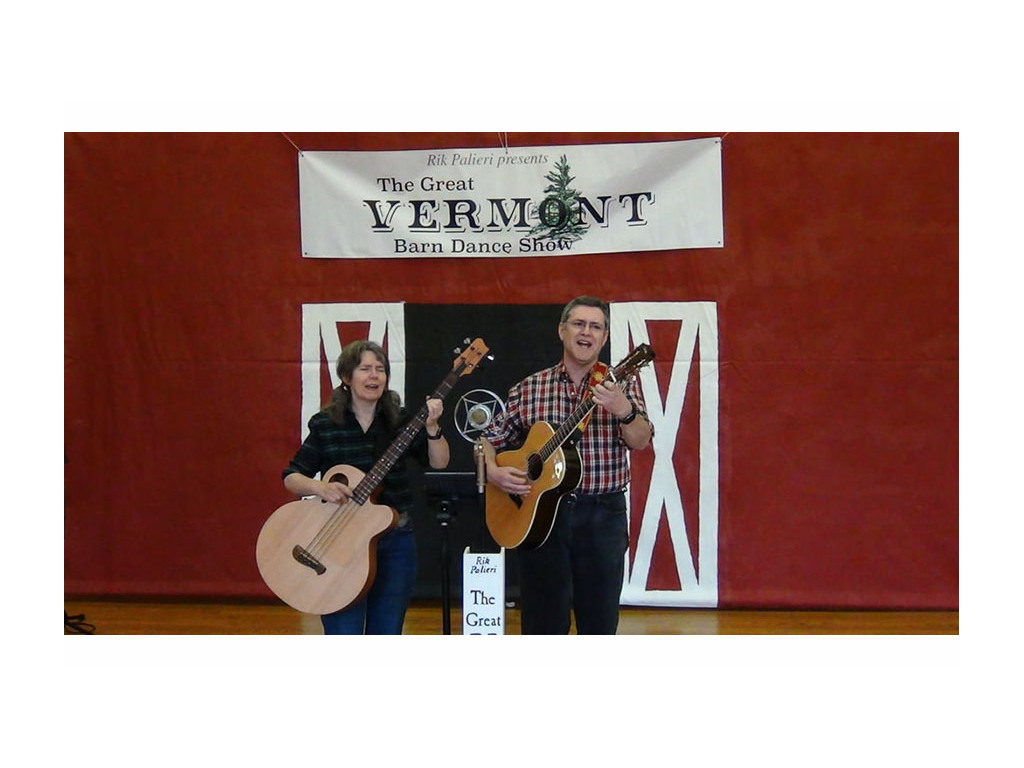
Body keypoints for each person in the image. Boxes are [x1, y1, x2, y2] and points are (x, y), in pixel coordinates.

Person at [481, 296, 653, 634]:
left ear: (604, 338)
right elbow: (487, 439)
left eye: (596, 327)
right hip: (541, 518)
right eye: (579, 324)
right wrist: (491, 470)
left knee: (599, 624)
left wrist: (624, 410)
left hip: (602, 516)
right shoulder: (530, 388)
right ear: (562, 331)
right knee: (542, 625)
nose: (586, 332)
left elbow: (641, 440)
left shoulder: (622, 384)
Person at [282, 340, 450, 634]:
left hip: (394, 540)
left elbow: (439, 462)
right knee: (343, 632)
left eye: (380, 369)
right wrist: (321, 488)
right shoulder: (325, 424)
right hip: (340, 541)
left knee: (387, 630)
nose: (374, 376)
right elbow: (292, 477)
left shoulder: (401, 421)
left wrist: (433, 427)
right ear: (346, 377)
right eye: (365, 369)